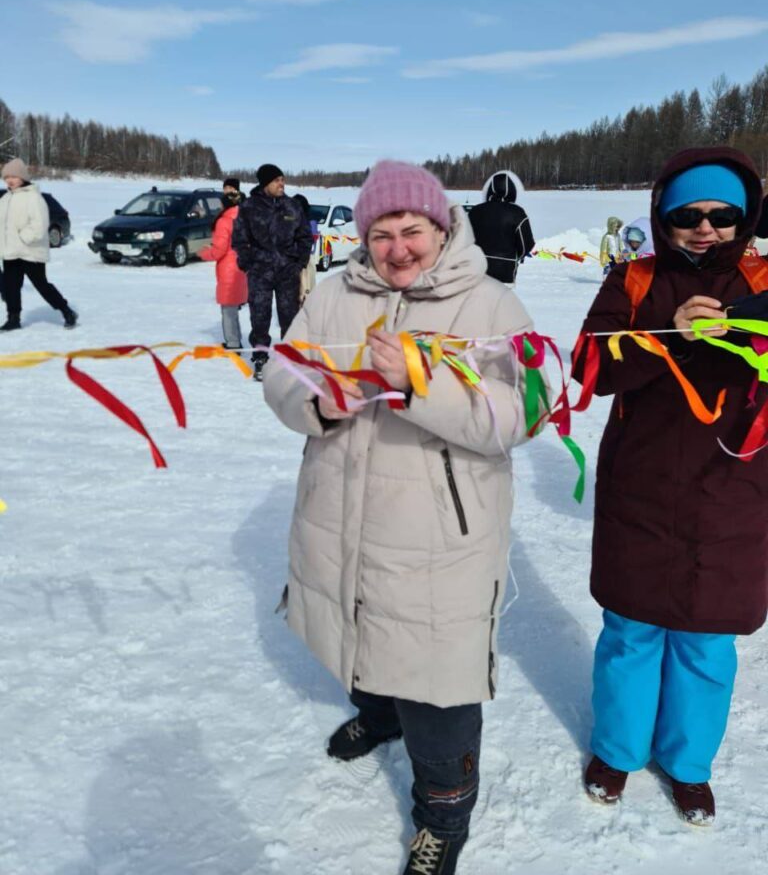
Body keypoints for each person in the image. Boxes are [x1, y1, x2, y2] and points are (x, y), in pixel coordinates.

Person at [263, 160, 543, 875]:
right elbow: (282, 373)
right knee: (358, 628)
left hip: (438, 533)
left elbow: (519, 414)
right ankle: (380, 713)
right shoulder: (332, 297)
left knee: (435, 679)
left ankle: (443, 814)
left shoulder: (490, 305)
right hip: (342, 513)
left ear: (441, 227)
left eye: (411, 230)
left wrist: (414, 385)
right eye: (381, 234)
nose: (397, 249)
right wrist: (317, 403)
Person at [575, 146, 768, 826]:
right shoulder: (633, 279)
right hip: (642, 486)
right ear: (663, 214)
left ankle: (688, 766)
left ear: (745, 219)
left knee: (708, 638)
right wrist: (671, 337)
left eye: (723, 215)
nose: (706, 227)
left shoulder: (765, 277)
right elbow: (589, 364)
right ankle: (617, 750)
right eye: (689, 214)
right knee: (631, 628)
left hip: (733, 490)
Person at [231, 164, 313, 380]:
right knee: (260, 316)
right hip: (260, 272)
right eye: (277, 180)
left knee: (290, 318)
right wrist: (249, 263)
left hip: (288, 273)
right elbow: (239, 239)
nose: (281, 184)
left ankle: (291, 358)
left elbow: (305, 237)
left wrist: (299, 262)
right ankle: (261, 358)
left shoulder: (292, 206)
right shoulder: (249, 207)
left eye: (282, 180)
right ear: (265, 183)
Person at [0, 158, 77, 331]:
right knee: (11, 286)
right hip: (10, 251)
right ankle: (13, 318)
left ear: (22, 177)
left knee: (41, 285)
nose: (9, 180)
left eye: (13, 176)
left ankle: (66, 311)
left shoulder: (34, 198)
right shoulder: (5, 199)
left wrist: (23, 238)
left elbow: (40, 225)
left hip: (30, 251)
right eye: (6, 177)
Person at [199, 178, 247, 349]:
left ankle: (233, 343)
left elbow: (219, 249)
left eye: (230, 188)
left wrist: (204, 253)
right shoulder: (243, 216)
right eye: (225, 187)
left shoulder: (225, 220)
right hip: (241, 266)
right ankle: (235, 340)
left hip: (229, 268)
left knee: (228, 309)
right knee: (232, 308)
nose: (227, 190)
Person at [468, 169, 535, 283]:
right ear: (512, 191)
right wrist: (516, 257)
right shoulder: (517, 213)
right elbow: (526, 244)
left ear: (490, 191)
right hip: (505, 272)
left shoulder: (475, 212)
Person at [292, 193, 318, 305]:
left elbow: (311, 240)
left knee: (306, 291)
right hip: (296, 260)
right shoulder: (293, 220)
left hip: (306, 260)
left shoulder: (309, 222)